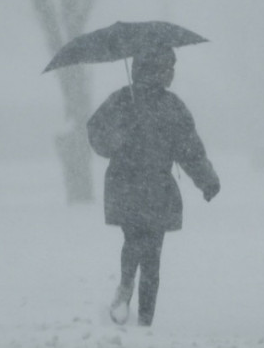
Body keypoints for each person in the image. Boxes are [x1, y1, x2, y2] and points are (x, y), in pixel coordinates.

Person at [87, 45, 220, 327]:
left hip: (125, 185)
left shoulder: (123, 99)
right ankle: (145, 319)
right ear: (156, 71)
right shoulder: (171, 106)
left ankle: (126, 288)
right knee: (152, 255)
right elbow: (190, 151)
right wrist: (206, 180)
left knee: (134, 240)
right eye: (168, 68)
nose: (172, 74)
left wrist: (115, 141)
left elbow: (96, 130)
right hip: (155, 188)